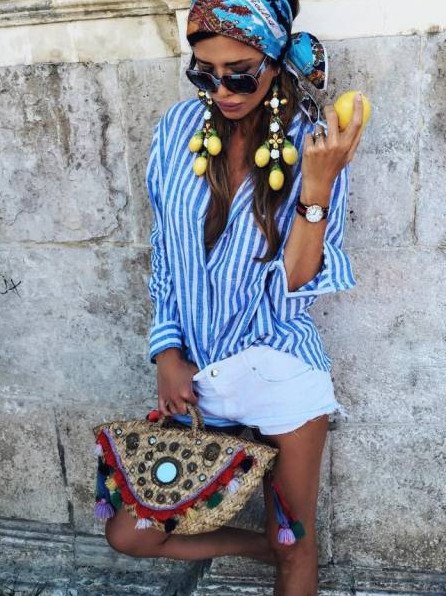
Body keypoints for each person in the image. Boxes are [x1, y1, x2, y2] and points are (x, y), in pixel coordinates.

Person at [105, 0, 364, 593]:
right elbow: (166, 252)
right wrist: (166, 350)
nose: (221, 90)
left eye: (240, 73)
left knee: (297, 545)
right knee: (131, 533)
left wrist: (318, 184)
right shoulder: (178, 130)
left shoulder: (313, 143)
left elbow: (296, 285)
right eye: (204, 73)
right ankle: (264, 546)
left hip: (276, 365)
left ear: (274, 61)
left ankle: (285, 549)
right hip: (197, 377)